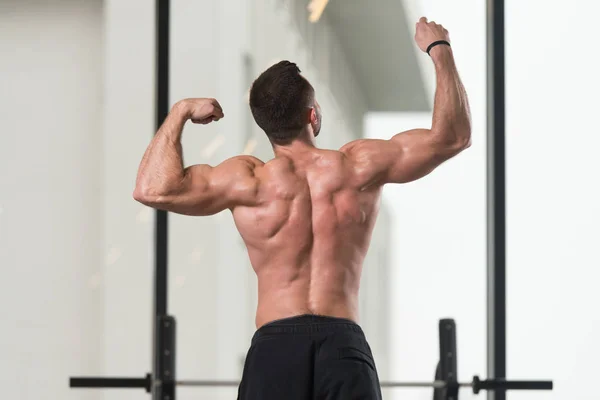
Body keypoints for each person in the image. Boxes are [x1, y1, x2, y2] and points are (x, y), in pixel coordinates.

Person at [134, 17, 470, 400]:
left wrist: (179, 112)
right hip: (343, 347)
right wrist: (439, 48)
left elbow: (152, 189)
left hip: (275, 351)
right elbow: (453, 136)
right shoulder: (358, 166)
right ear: (312, 115)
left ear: (265, 125)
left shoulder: (248, 181)